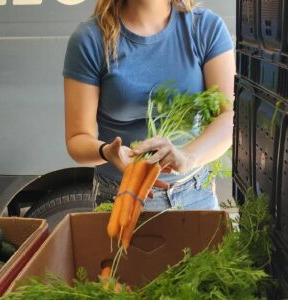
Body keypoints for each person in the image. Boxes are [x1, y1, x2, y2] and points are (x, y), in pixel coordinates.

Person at [63, 0, 235, 211]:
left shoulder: (205, 28)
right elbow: (77, 139)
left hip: (195, 192)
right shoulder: (90, 39)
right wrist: (107, 152)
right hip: (120, 196)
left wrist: (187, 157)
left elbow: (228, 117)